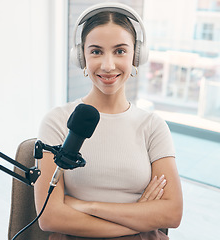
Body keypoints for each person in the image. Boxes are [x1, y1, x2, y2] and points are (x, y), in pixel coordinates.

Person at [34, 3, 183, 240]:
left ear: (137, 55)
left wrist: (88, 206)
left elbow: (172, 213)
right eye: (96, 51)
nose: (108, 65)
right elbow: (50, 217)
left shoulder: (153, 126)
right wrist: (139, 219)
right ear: (81, 56)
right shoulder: (57, 120)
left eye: (120, 51)